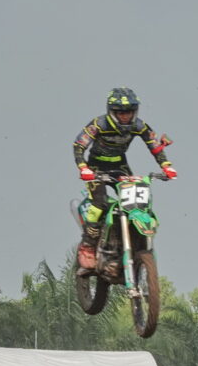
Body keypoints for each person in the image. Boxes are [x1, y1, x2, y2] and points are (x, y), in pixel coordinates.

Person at [73, 87, 177, 269]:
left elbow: (153, 145)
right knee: (99, 203)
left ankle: (130, 238)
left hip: (120, 166)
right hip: (96, 167)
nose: (125, 116)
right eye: (120, 112)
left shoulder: (139, 126)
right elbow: (79, 145)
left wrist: (166, 166)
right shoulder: (99, 124)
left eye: (129, 112)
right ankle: (88, 244)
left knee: (135, 202)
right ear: (111, 111)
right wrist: (83, 168)